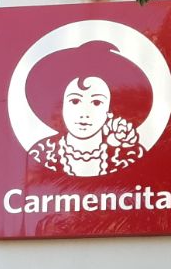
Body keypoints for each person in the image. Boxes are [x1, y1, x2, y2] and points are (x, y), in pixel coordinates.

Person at [24, 39, 150, 177]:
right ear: (61, 107)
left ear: (110, 111)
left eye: (96, 102)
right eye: (75, 101)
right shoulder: (42, 152)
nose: (84, 113)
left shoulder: (129, 154)